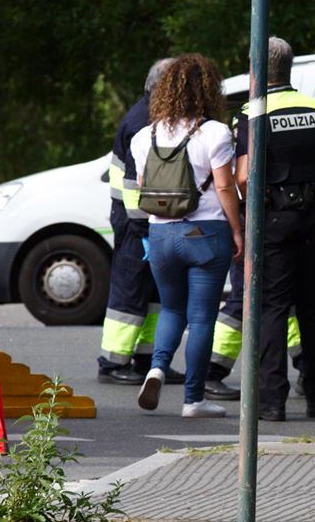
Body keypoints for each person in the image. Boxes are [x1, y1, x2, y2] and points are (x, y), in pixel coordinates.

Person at [204, 104, 315, 402]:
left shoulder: (302, 131)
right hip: (265, 227)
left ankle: (310, 373)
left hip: (274, 228)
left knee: (292, 305)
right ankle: (213, 372)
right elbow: (246, 178)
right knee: (244, 301)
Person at [234, 37, 315, 422]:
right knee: (313, 310)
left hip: (275, 221)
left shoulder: (252, 113)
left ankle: (271, 401)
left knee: (273, 309)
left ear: (256, 69)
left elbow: (246, 177)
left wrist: (255, 215)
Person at [132, 54, 244, 418]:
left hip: (161, 233)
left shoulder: (143, 137)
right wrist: (238, 230)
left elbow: (143, 186)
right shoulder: (214, 132)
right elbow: (225, 186)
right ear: (208, 90)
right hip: (205, 232)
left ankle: (158, 367)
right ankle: (193, 399)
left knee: (171, 309)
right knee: (200, 318)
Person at [96, 59, 184, 387]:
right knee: (130, 290)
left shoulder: (153, 117)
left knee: (153, 295)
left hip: (146, 220)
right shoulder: (141, 123)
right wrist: (145, 228)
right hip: (137, 221)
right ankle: (113, 361)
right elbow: (134, 187)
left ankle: (148, 360)